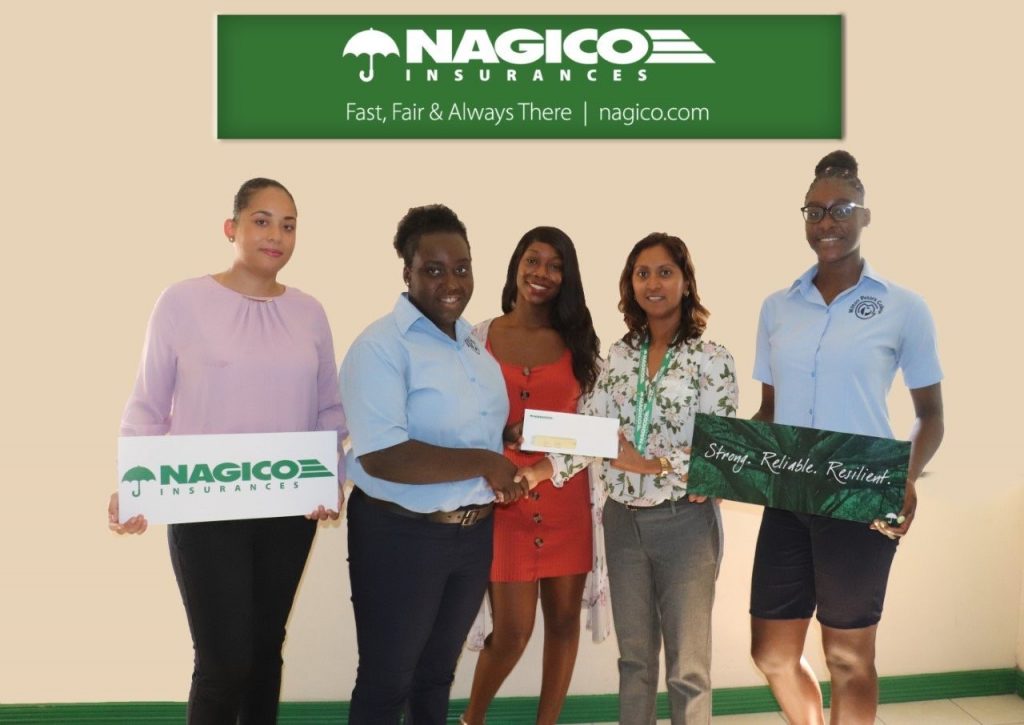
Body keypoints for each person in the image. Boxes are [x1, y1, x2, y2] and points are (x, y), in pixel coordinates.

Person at [107, 178, 347, 724]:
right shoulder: (181, 302)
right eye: (262, 221)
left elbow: (329, 411)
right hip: (204, 510)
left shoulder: (310, 312)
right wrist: (133, 485)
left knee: (265, 653)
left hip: (288, 510)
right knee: (223, 663)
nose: (276, 235)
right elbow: (148, 405)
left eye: (288, 225)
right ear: (230, 228)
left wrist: (330, 479)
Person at [748, 150, 944, 725]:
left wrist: (905, 477)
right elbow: (770, 412)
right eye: (814, 211)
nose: (826, 221)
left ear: (865, 216)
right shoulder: (777, 308)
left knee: (848, 658)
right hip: (788, 494)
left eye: (840, 209)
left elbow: (931, 415)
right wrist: (716, 458)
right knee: (771, 653)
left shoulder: (903, 307)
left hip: (861, 494)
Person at [519, 233, 737, 725]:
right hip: (621, 524)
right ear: (630, 284)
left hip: (685, 525)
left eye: (665, 272)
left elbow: (719, 452)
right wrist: (538, 470)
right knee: (634, 661)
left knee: (688, 670)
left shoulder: (712, 357)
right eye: (642, 273)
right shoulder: (618, 356)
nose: (653, 283)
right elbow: (590, 432)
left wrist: (653, 465)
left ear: (686, 282)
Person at [339, 204, 529, 725]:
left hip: (471, 536)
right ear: (408, 272)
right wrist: (487, 461)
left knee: (437, 676)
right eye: (434, 269)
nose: (451, 282)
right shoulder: (380, 347)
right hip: (401, 537)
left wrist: (504, 437)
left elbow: (466, 428)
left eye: (461, 268)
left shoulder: (471, 344)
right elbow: (383, 455)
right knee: (387, 682)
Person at [462, 227, 603, 725]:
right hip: (503, 502)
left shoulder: (581, 346)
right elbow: (461, 414)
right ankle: (471, 719)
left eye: (555, 265)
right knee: (513, 633)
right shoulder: (477, 338)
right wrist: (502, 436)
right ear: (516, 265)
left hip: (566, 499)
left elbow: (596, 429)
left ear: (567, 277)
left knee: (563, 623)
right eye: (533, 260)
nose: (541, 273)